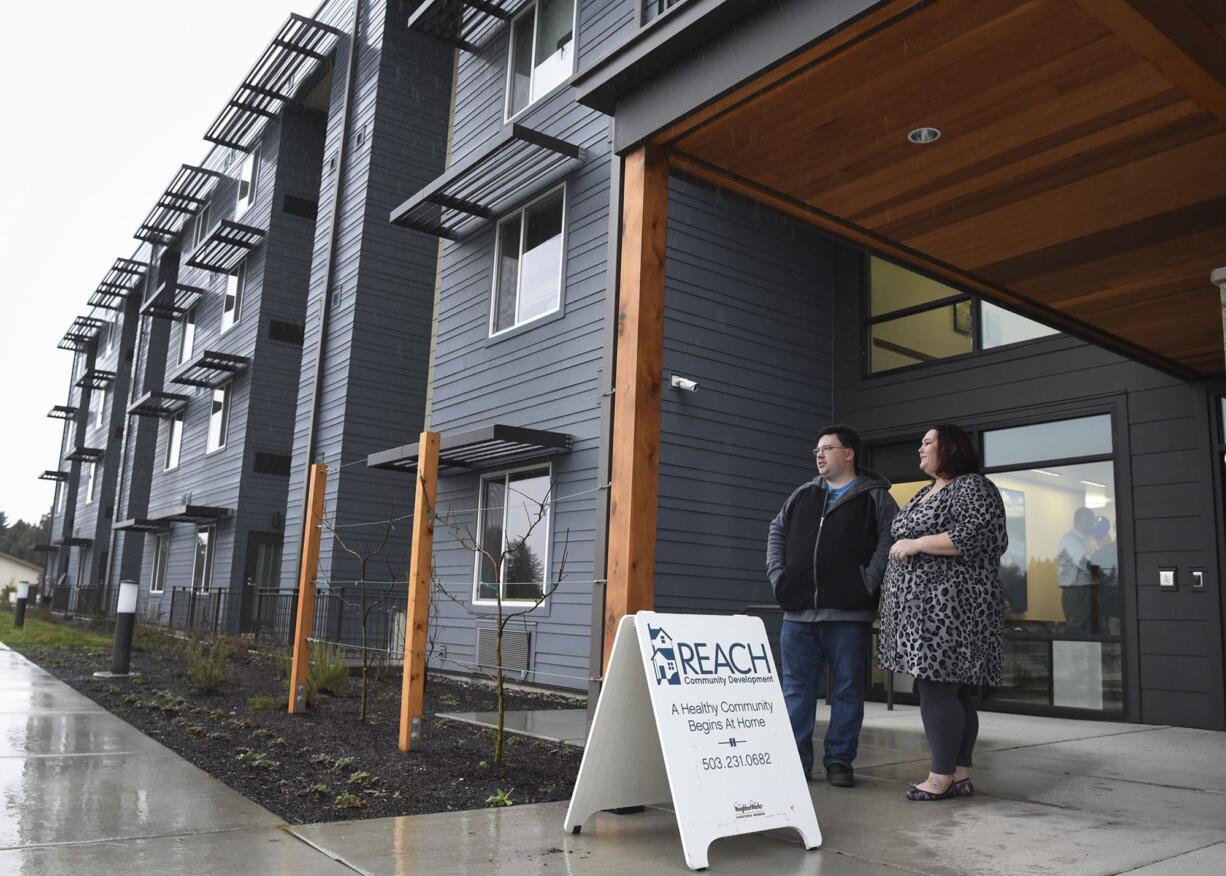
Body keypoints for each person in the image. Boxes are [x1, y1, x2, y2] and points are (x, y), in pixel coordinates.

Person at [878, 424, 1007, 801]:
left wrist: (917, 543)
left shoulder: (971, 487)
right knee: (954, 693)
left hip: (951, 609)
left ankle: (941, 775)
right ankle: (960, 772)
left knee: (937, 691)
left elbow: (978, 535)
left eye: (928, 442)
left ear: (949, 448)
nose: (920, 447)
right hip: (922, 611)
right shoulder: (925, 491)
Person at [766, 424, 898, 787]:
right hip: (798, 614)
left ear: (849, 454)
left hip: (848, 614)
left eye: (827, 448)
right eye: (817, 450)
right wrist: (780, 578)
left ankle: (840, 760)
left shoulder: (877, 498)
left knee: (846, 691)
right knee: (796, 690)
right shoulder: (803, 494)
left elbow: (889, 542)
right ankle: (797, 761)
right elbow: (776, 531)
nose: (819, 455)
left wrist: (867, 582)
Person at [1058, 508, 1099, 632]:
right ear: (1077, 523)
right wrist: (1105, 573)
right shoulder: (1070, 540)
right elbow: (1084, 563)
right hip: (1075, 592)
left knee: (1088, 629)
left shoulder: (1088, 541)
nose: (1091, 527)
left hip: (1086, 590)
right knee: (1077, 629)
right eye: (1088, 524)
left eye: (1092, 524)